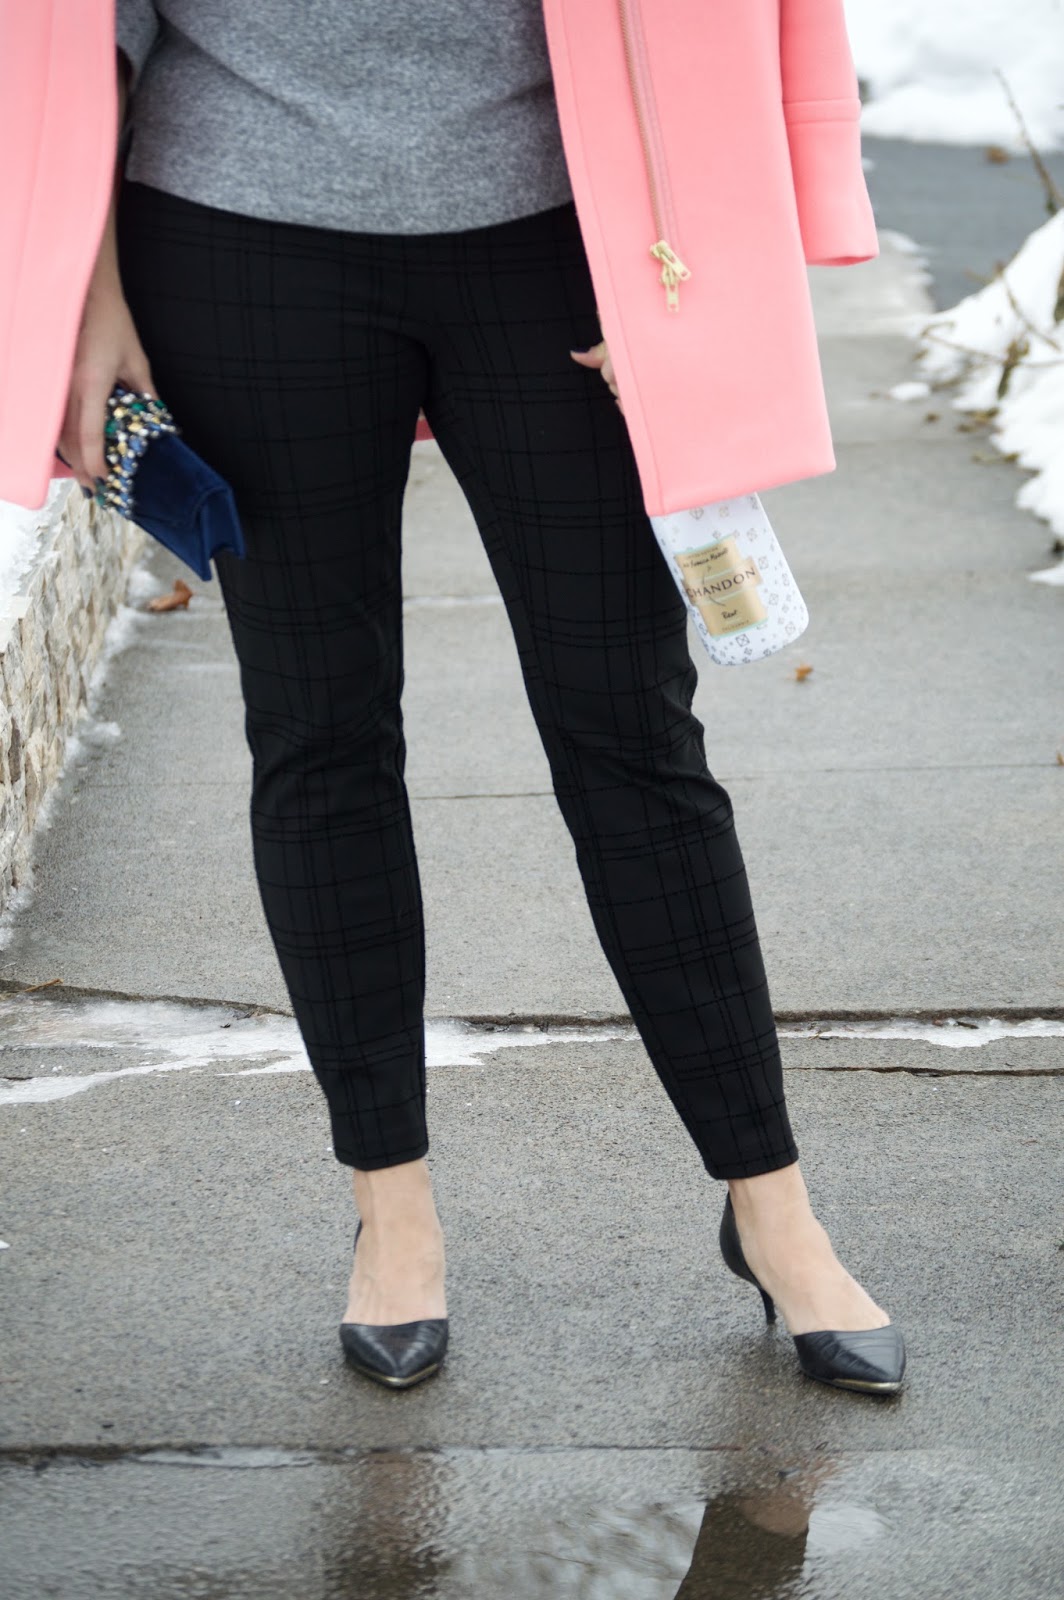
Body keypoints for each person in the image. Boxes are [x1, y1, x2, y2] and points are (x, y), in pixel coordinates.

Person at [48, 0, 905, 1394]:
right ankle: (392, 1209)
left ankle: (774, 1208)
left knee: (631, 729)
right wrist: (85, 292)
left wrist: (708, 245)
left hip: (567, 226)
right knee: (319, 732)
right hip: (234, 233)